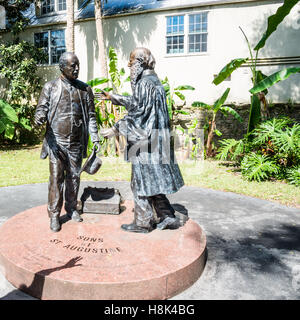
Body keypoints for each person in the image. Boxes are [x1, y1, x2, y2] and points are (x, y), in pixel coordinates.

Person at [98, 47, 184, 233]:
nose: (129, 66)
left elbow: (138, 111)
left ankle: (142, 222)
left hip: (144, 141)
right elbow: (139, 103)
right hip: (156, 139)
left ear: (140, 62)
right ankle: (167, 216)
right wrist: (114, 97)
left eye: (131, 61)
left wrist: (115, 129)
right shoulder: (154, 81)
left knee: (140, 182)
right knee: (152, 180)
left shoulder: (145, 83)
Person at [35, 52, 100, 232]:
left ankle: (71, 209)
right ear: (62, 67)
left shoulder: (85, 89)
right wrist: (40, 117)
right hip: (56, 143)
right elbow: (41, 109)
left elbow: (92, 117)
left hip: (76, 143)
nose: (76, 69)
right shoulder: (50, 87)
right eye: (73, 66)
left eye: (78, 65)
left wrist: (94, 137)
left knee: (74, 177)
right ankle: (54, 215)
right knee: (56, 179)